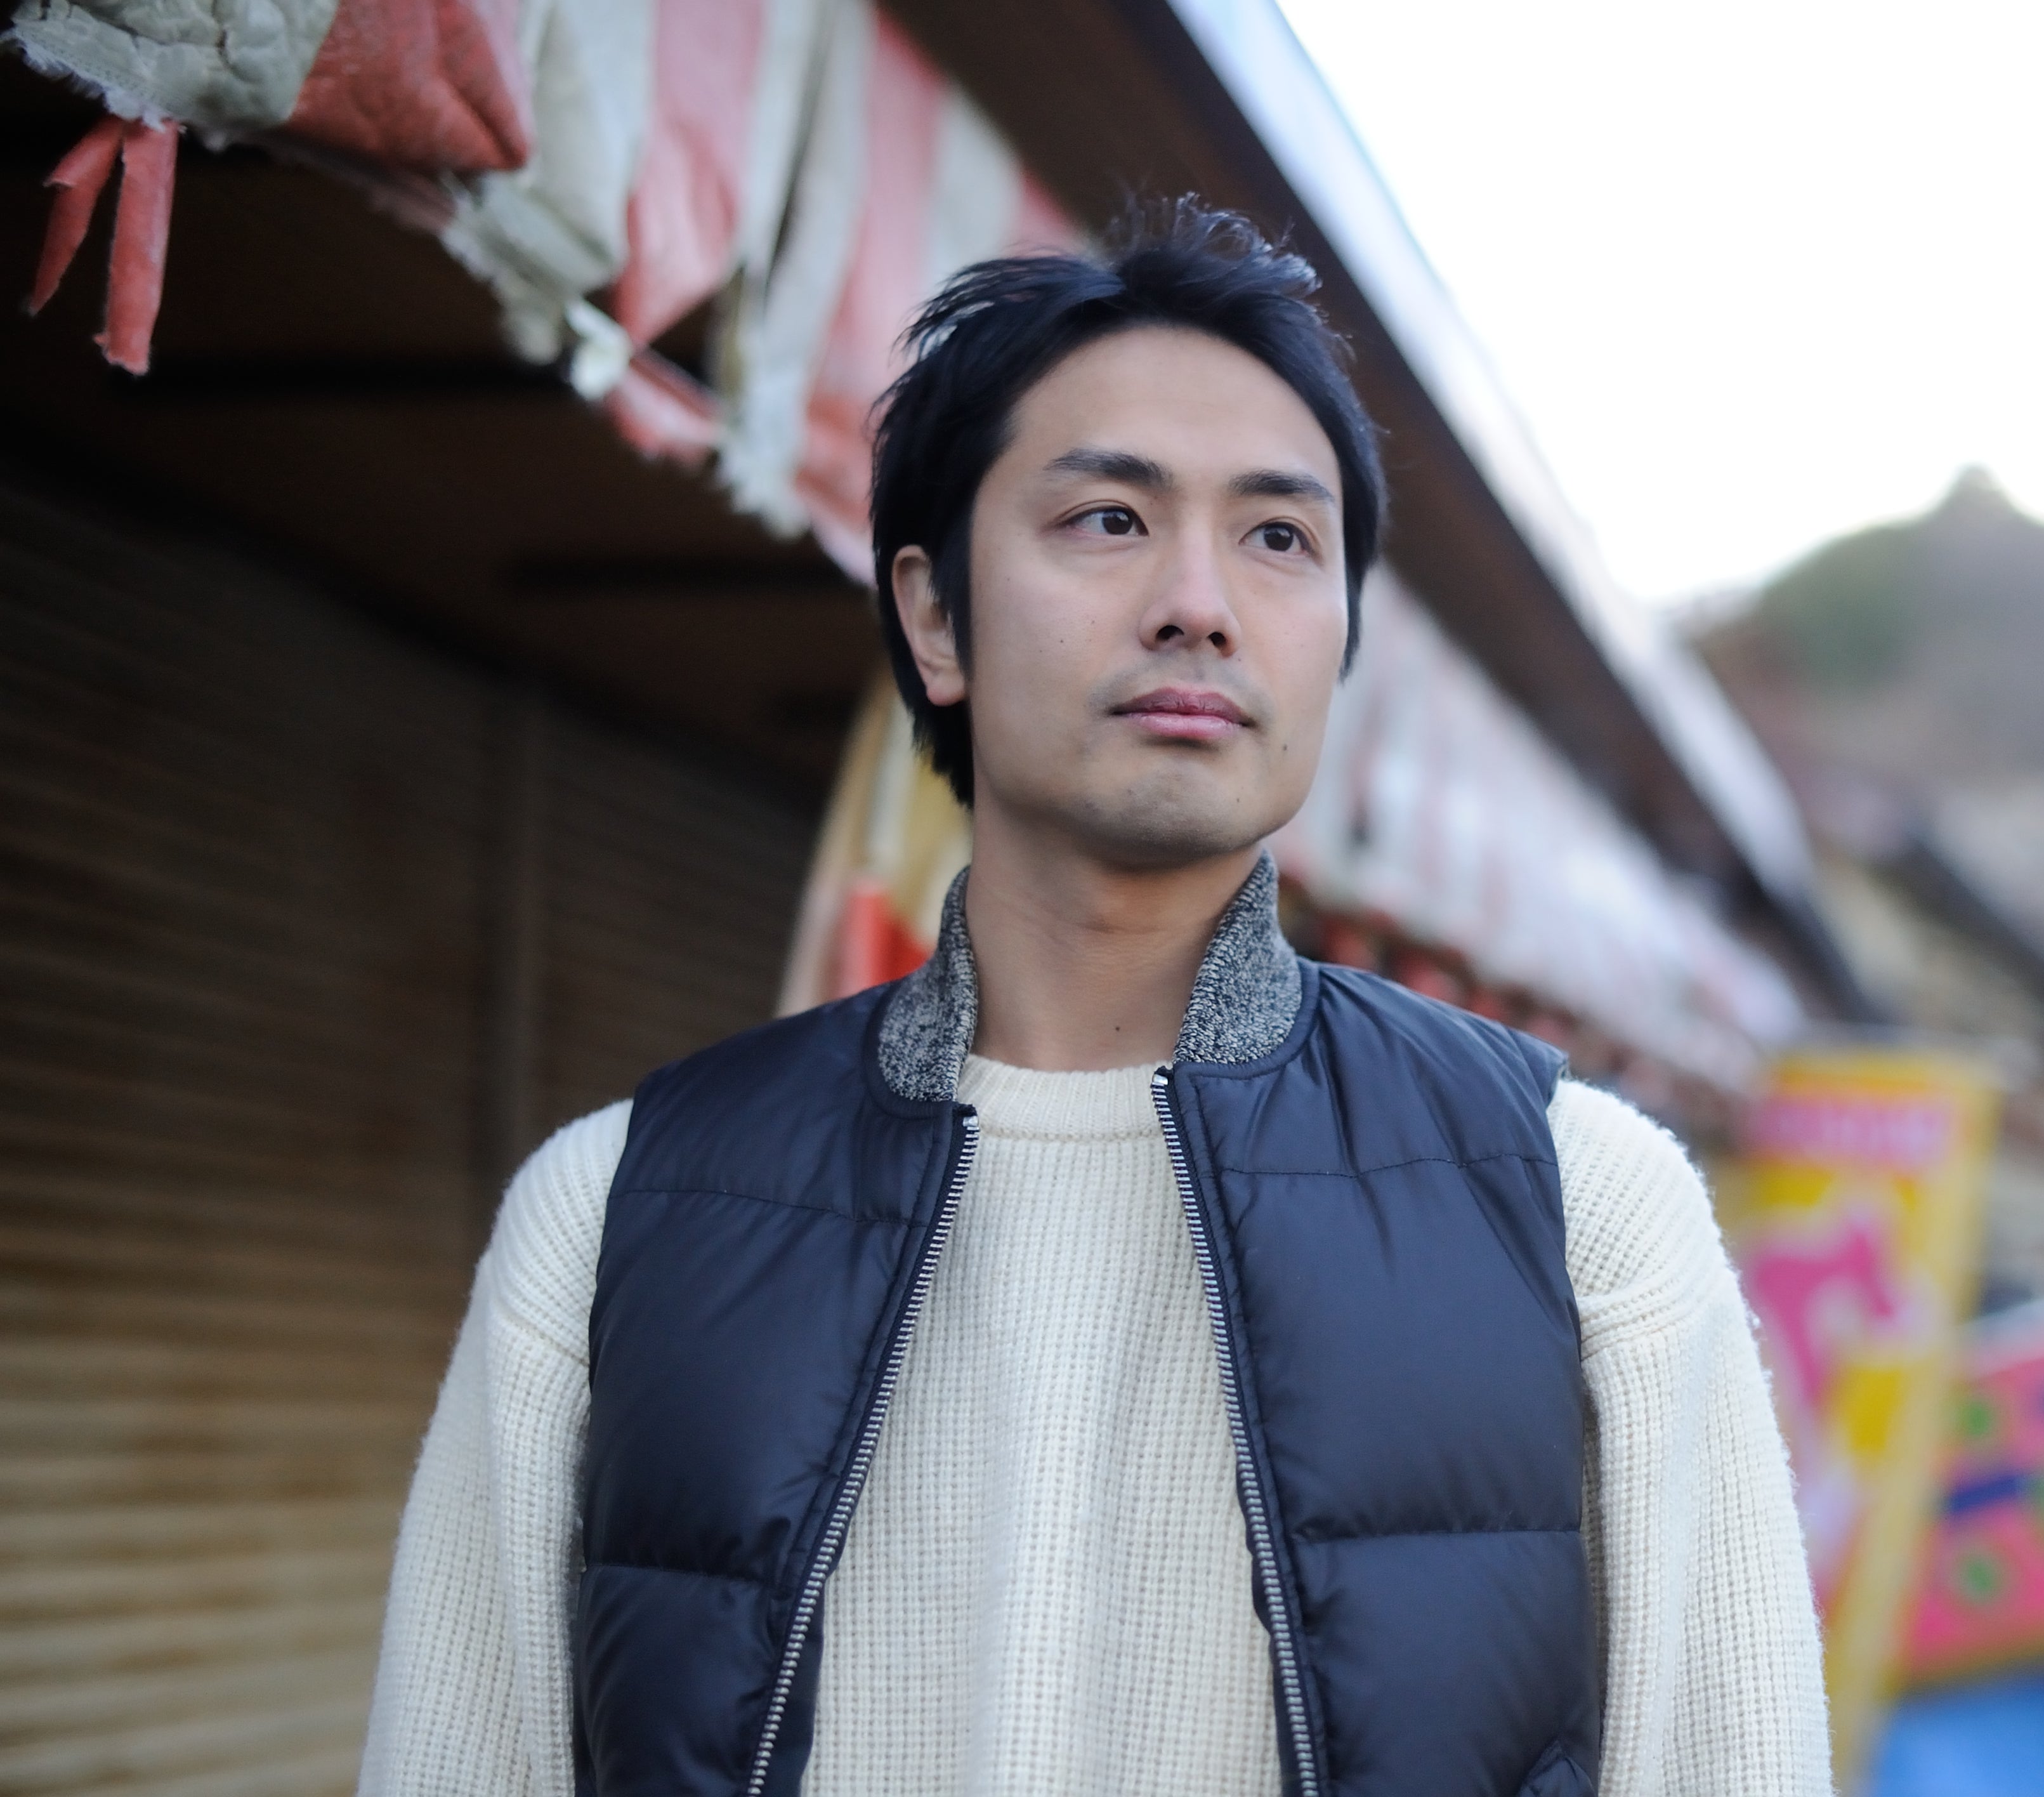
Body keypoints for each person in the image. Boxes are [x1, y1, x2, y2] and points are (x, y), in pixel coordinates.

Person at [360, 201, 1831, 1797]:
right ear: (935, 617)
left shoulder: (1575, 1200)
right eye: (1108, 519)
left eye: (1280, 539)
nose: (1199, 602)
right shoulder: (612, 1213)